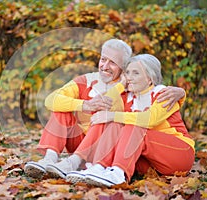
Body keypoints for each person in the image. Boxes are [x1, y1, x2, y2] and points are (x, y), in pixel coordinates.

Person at [24, 39, 186, 179]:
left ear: (123, 68)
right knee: (61, 109)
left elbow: (151, 93)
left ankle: (89, 165)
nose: (105, 66)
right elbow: (51, 100)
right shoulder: (85, 81)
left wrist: (180, 92)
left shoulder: (131, 89)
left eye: (113, 62)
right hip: (83, 145)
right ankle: (50, 159)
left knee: (112, 119)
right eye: (103, 59)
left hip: (110, 148)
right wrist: (84, 104)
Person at [65, 54, 195, 187]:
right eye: (127, 73)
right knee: (113, 123)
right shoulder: (128, 98)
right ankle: (97, 167)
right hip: (151, 163)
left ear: (150, 79)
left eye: (135, 73)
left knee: (133, 125)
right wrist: (120, 85)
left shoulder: (164, 94)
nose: (129, 77)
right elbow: (102, 105)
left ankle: (118, 174)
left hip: (178, 155)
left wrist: (113, 115)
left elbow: (150, 119)